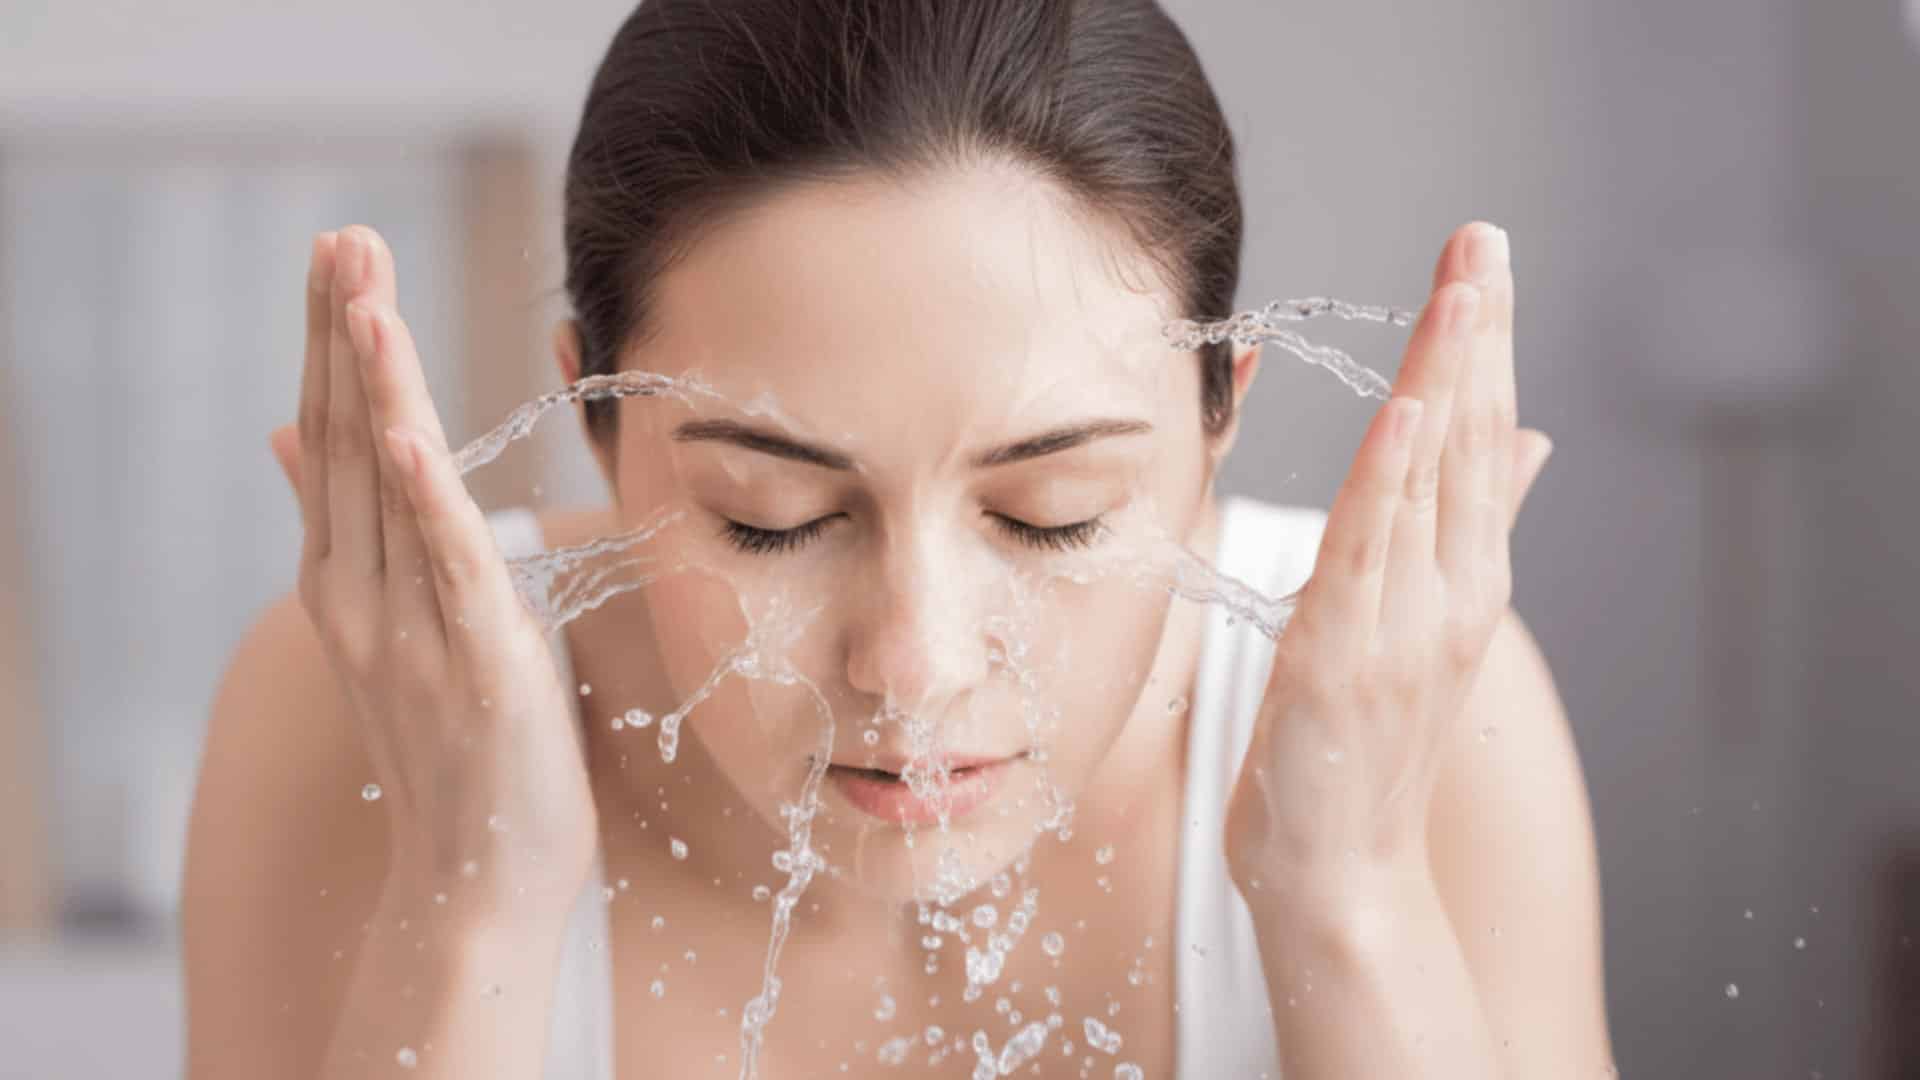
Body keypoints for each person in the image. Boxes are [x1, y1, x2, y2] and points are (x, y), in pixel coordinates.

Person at [183, 0, 1613, 1076]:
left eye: (1053, 519)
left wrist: (1345, 902)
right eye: (774, 519)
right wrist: (469, 901)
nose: (913, 665)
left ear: (1218, 412)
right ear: (597, 423)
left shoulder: (1415, 696)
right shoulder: (359, 702)